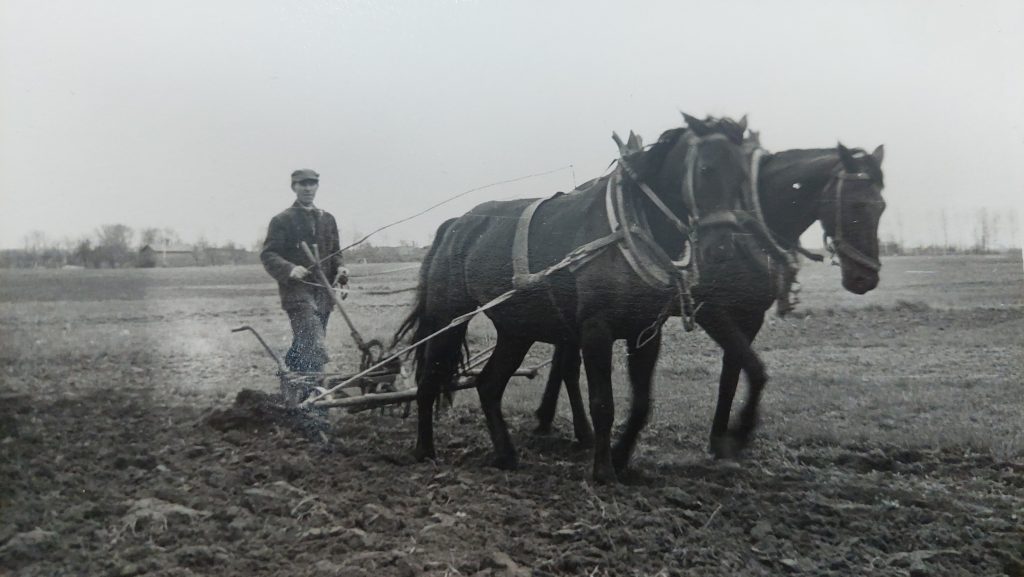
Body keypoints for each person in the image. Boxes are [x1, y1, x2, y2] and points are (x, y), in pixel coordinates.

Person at [261, 169, 348, 374]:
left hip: (324, 291)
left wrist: (341, 267)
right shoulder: (282, 220)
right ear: (294, 187)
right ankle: (316, 393)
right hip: (297, 291)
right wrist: (290, 269)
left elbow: (335, 251)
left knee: (309, 338)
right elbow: (269, 254)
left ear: (317, 187)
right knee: (312, 336)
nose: (308, 188)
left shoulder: (327, 218)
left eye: (312, 184)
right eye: (303, 184)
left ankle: (295, 377)